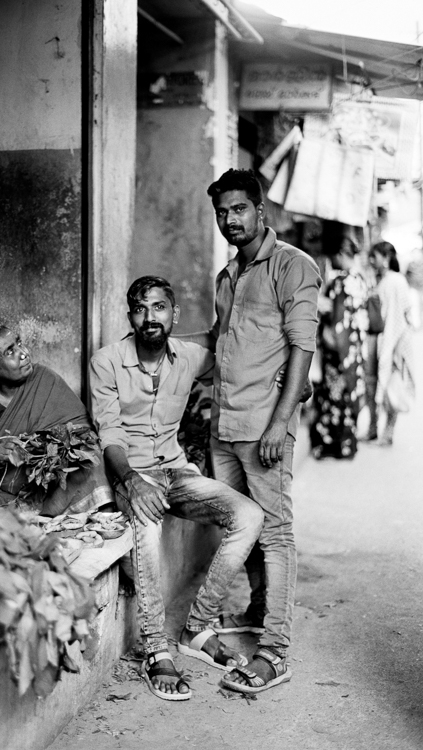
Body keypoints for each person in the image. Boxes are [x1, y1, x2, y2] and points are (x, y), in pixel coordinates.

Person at [89, 276, 264, 702]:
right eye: (140, 308)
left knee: (249, 515)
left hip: (176, 471)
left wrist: (289, 380)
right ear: (128, 315)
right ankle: (155, 649)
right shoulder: (106, 362)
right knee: (146, 524)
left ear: (174, 314)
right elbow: (109, 434)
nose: (150, 317)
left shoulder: (188, 356)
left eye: (159, 307)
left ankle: (195, 626)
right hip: (134, 474)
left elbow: (236, 351)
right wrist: (130, 482)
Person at [184, 169, 321, 695]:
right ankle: (259, 609)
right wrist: (153, 345)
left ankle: (275, 651)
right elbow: (219, 343)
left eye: (239, 209)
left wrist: (281, 422)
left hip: (264, 427)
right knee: (244, 526)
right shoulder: (228, 277)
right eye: (222, 213)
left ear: (260, 211)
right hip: (225, 425)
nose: (230, 220)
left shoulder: (292, 266)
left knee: (277, 535)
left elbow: (301, 346)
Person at [0, 320, 112, 514]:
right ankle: (31, 512)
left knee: (91, 461)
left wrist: (55, 447)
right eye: (10, 352)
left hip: (57, 484)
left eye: (19, 343)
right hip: (9, 489)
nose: (23, 353)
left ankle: (69, 513)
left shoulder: (45, 379)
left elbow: (83, 431)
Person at [310, 237, 368, 459]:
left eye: (335, 256)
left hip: (336, 350)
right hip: (353, 350)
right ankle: (347, 443)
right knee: (346, 395)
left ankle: (331, 443)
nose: (333, 260)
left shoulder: (340, 282)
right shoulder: (359, 279)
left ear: (341, 255)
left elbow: (333, 314)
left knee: (333, 396)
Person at [366, 242, 415, 446]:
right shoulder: (383, 279)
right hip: (378, 341)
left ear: (385, 258)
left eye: (374, 256)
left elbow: (403, 315)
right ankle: (373, 428)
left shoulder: (396, 281)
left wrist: (396, 347)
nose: (371, 260)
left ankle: (387, 431)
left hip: (393, 343)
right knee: (373, 384)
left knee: (391, 386)